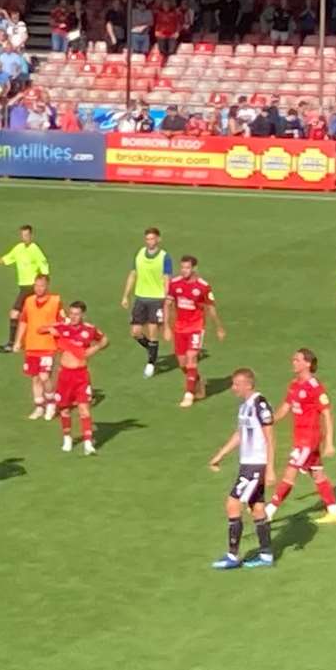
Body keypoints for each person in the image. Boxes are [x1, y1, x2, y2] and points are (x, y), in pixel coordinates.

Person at [263, 349, 336, 524]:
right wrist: (269, 420)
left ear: (307, 363)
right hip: (300, 437)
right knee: (318, 475)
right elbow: (285, 408)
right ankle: (335, 512)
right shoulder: (294, 385)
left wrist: (329, 443)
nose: (293, 362)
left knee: (289, 473)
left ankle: (269, 511)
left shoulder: (315, 387)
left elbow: (327, 414)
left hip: (309, 439)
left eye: (297, 360)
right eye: (293, 359)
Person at [206, 369, 276, 570]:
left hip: (256, 464)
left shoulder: (259, 403)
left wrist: (270, 468)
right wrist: (220, 455)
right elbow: (240, 434)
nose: (233, 388)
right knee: (257, 507)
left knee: (232, 504)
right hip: (247, 464)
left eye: (236, 384)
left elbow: (270, 437)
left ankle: (233, 555)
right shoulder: (244, 406)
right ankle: (266, 555)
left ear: (248, 384)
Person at [163, 255, 225, 408]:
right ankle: (197, 380)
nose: (184, 271)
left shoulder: (203, 286)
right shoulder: (174, 284)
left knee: (191, 357)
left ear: (194, 268)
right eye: (182, 267)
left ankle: (189, 394)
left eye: (187, 268)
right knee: (182, 363)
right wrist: (165, 327)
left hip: (196, 327)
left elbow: (211, 308)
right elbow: (167, 305)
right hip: (179, 328)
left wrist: (219, 327)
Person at [48, 301, 108, 455]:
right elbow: (41, 329)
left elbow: (104, 340)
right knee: (65, 409)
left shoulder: (89, 329)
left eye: (76, 314)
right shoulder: (62, 328)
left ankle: (88, 444)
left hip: (81, 375)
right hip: (65, 375)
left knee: (84, 409)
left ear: (83, 315)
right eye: (71, 313)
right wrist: (53, 329)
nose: (73, 317)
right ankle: (67, 438)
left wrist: (94, 349)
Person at [0, 224, 51, 351]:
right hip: (23, 287)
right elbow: (7, 259)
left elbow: (44, 267)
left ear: (32, 236)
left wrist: (41, 285)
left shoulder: (35, 249)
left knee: (15, 313)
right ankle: (26, 341)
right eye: (23, 235)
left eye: (27, 235)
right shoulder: (18, 248)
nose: (25, 238)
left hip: (32, 287)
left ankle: (12, 343)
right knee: (29, 315)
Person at [120, 227, 173, 378]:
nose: (150, 241)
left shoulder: (164, 257)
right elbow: (133, 274)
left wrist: (167, 298)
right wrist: (126, 295)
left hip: (156, 299)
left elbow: (166, 279)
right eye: (147, 239)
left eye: (152, 238)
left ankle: (151, 363)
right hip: (141, 298)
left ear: (158, 239)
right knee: (135, 332)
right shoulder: (139, 254)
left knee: (153, 331)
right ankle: (152, 349)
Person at [14, 274, 64, 421]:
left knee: (44, 376)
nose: (38, 288)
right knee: (35, 378)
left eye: (41, 286)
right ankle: (39, 406)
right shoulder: (29, 301)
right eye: (36, 286)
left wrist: (49, 328)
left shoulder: (55, 301)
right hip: (31, 345)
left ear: (47, 286)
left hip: (48, 346)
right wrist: (18, 341)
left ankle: (50, 403)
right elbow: (24, 322)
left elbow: (63, 321)